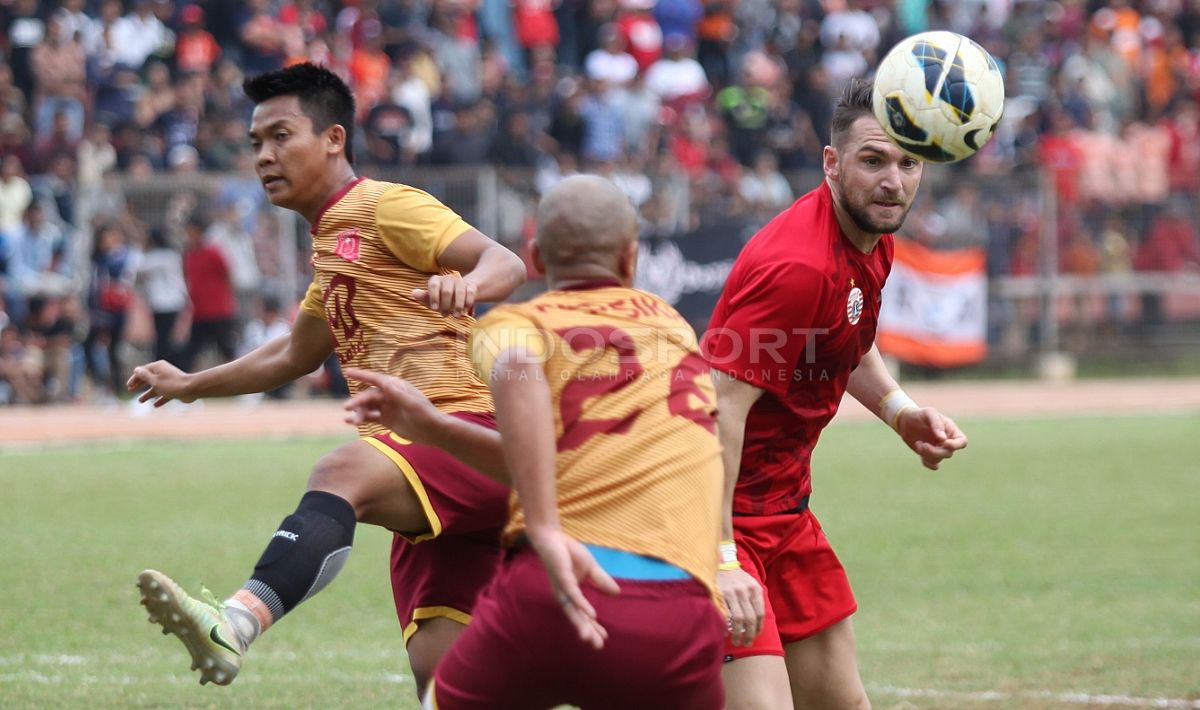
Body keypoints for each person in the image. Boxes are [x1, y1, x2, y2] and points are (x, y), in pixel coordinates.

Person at [127, 63, 526, 693]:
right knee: (445, 677)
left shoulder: (386, 205)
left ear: (334, 139)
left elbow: (503, 260)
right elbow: (294, 354)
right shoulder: (332, 241)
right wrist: (190, 384)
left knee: (341, 472)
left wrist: (467, 284)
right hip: (426, 470)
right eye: (256, 143)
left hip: (467, 436)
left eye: (281, 136)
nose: (264, 156)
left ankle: (234, 622)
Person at [342, 174, 726, 709]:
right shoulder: (675, 329)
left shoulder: (517, 324)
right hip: (678, 606)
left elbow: (518, 370)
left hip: (550, 589)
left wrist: (431, 427)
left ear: (537, 257)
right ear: (631, 258)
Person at [707, 78, 969, 709]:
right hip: (716, 519)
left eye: (908, 163)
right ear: (832, 162)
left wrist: (900, 411)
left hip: (784, 513)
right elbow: (716, 411)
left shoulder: (869, 239)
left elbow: (840, 343)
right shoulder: (799, 266)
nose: (893, 181)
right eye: (873, 160)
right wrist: (718, 557)